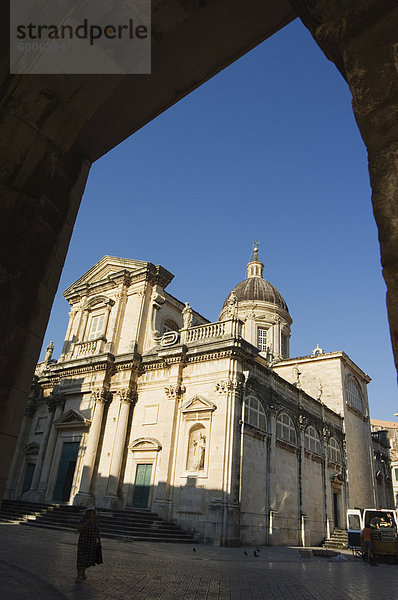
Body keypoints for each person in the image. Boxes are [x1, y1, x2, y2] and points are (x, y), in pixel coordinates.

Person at [76, 505, 101, 583]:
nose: (91, 513)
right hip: (83, 541)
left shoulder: (96, 520)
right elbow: (79, 529)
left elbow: (97, 530)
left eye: (92, 512)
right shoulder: (83, 519)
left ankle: (83, 572)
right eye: (90, 512)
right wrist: (87, 522)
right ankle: (79, 575)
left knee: (87, 558)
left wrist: (99, 540)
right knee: (81, 558)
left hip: (91, 542)